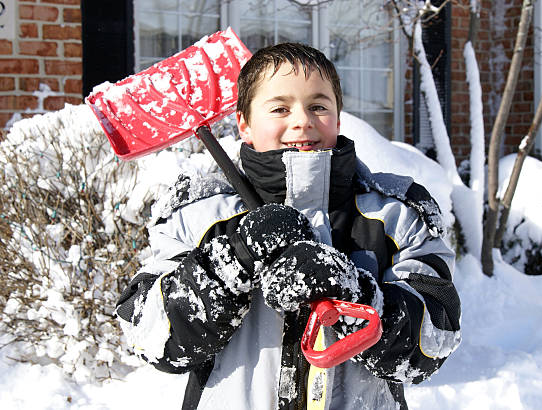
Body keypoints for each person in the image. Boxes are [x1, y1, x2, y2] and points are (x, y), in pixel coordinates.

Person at [115, 42, 461, 410]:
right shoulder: (199, 217)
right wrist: (233, 259)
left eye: (318, 106)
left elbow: (434, 338)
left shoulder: (395, 215)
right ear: (244, 124)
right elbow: (154, 337)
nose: (302, 121)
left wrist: (354, 294)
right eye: (280, 108)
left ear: (338, 118)